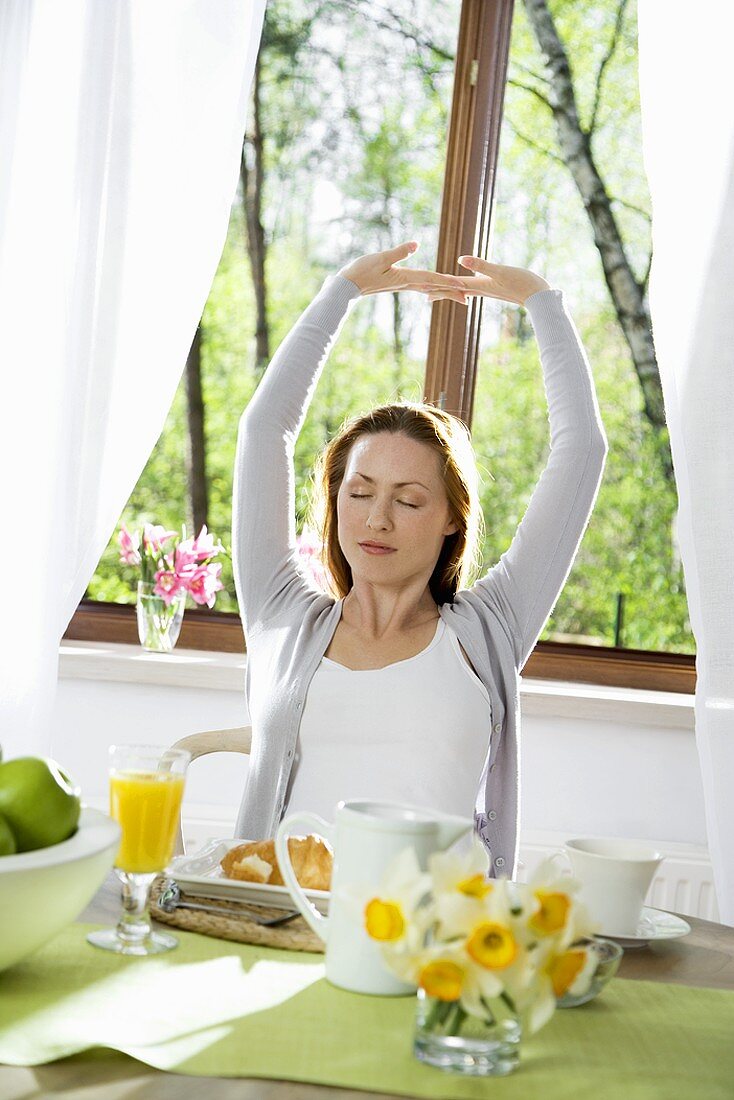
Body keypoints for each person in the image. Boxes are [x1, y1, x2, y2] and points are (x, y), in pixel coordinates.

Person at [232, 242, 608, 878]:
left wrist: (542, 303)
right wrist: (340, 293)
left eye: (408, 500)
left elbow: (582, 452)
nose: (377, 518)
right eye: (359, 493)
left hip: (442, 944)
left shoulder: (491, 628)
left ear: (451, 517)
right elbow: (263, 432)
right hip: (289, 928)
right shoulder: (282, 616)